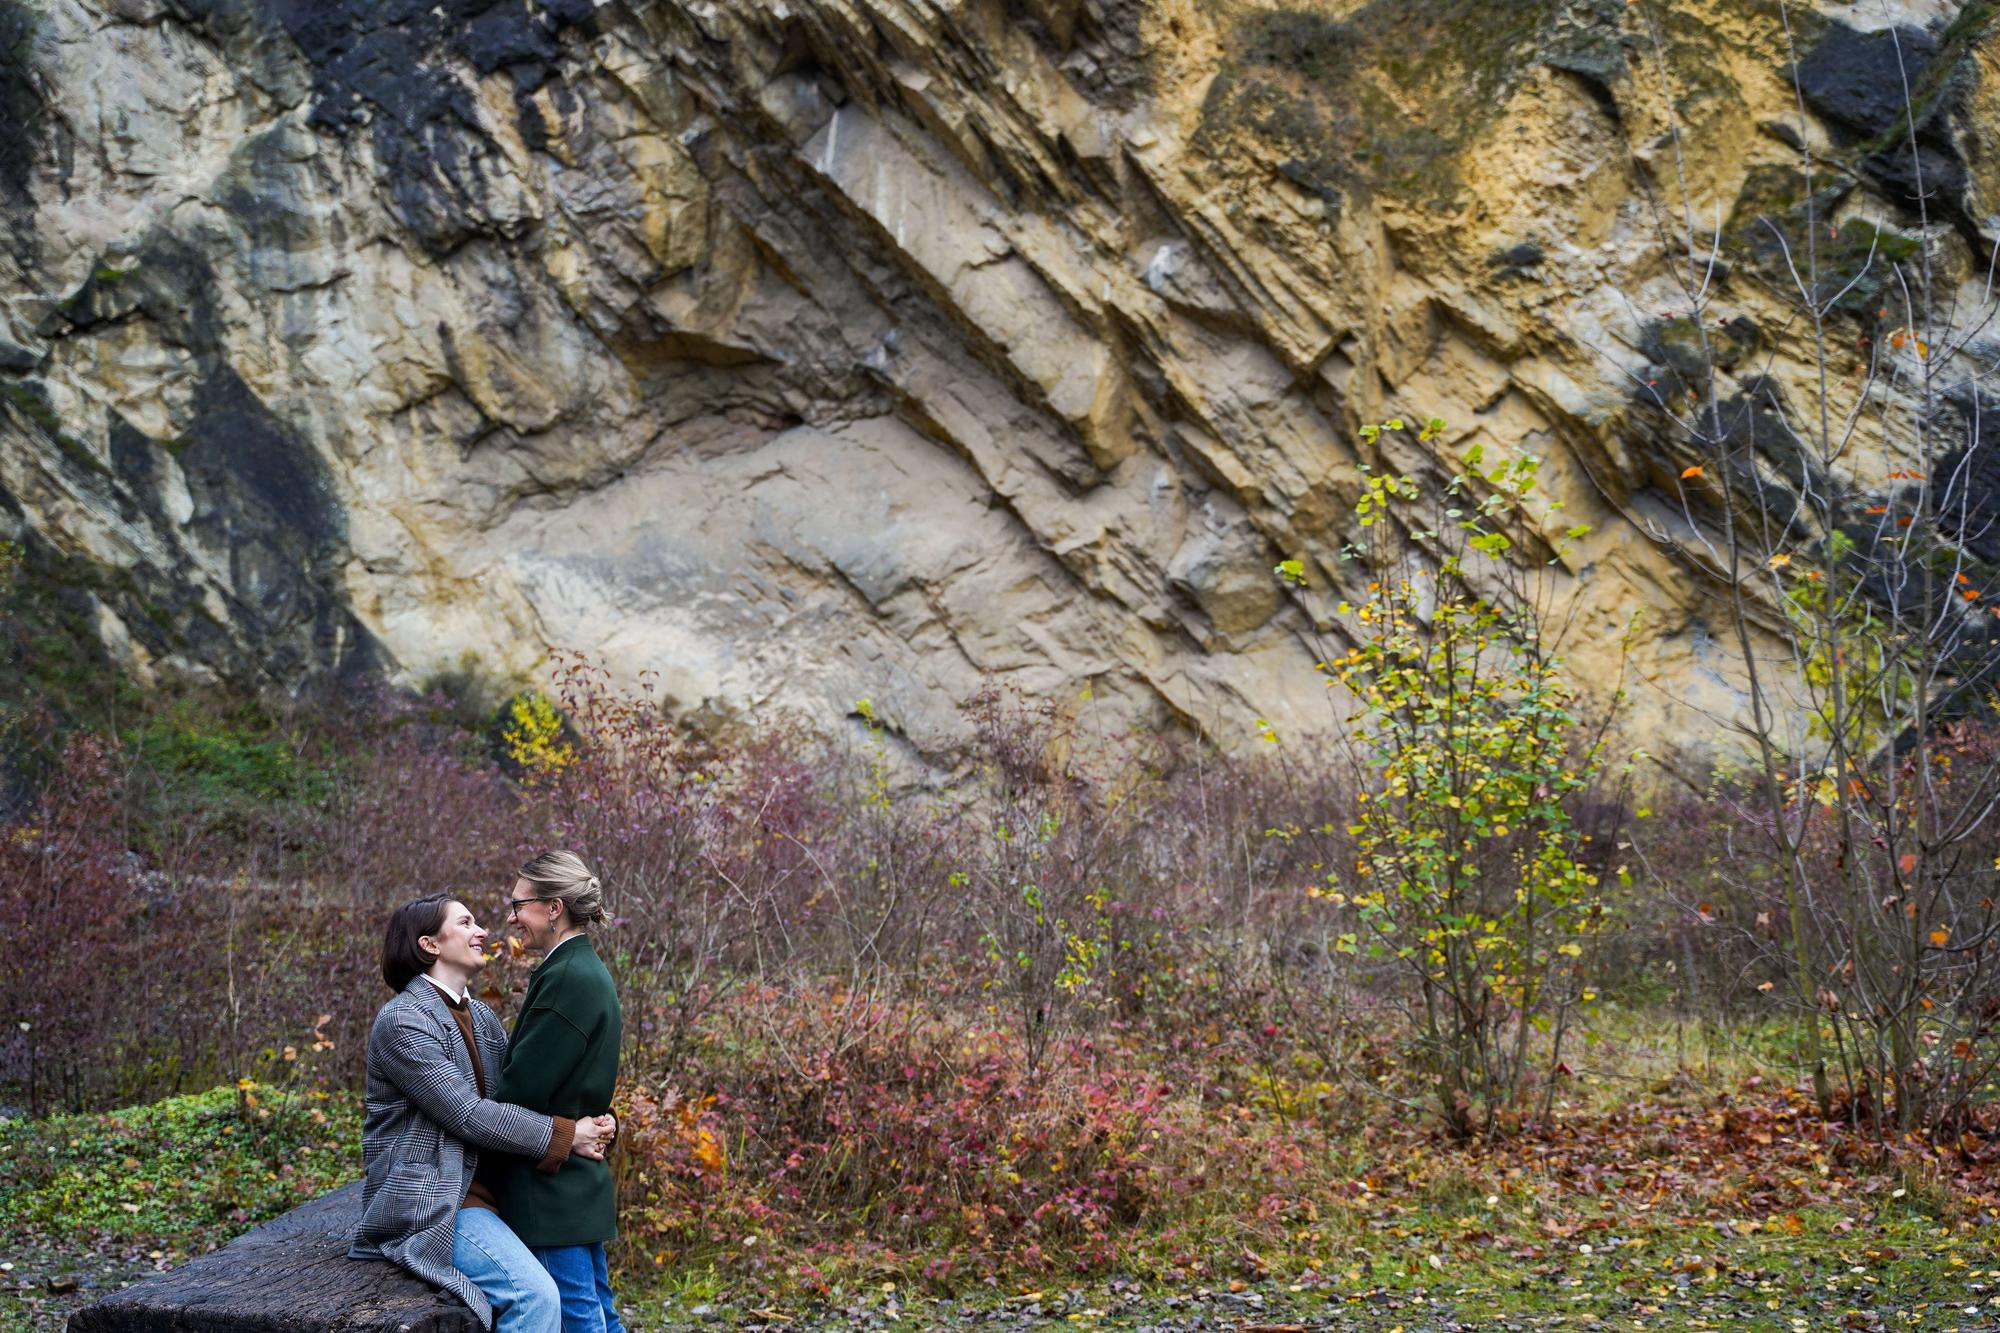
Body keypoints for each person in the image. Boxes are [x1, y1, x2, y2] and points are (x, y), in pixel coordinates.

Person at [350, 893, 616, 1333]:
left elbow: (517, 1101)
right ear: (430, 945)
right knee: (535, 1296)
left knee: (591, 1297)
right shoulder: (402, 1021)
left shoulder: (481, 1016)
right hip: (434, 1202)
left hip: (489, 1194)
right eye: (467, 923)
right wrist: (568, 1136)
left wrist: (602, 1124)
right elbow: (469, 1114)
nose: (484, 931)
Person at [492, 851, 625, 1333]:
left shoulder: (568, 977)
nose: (511, 918)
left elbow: (519, 1092)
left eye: (519, 905)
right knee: (598, 1317)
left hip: (548, 1188)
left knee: (579, 1320)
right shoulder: (581, 971)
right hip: (572, 1182)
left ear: (553, 908)